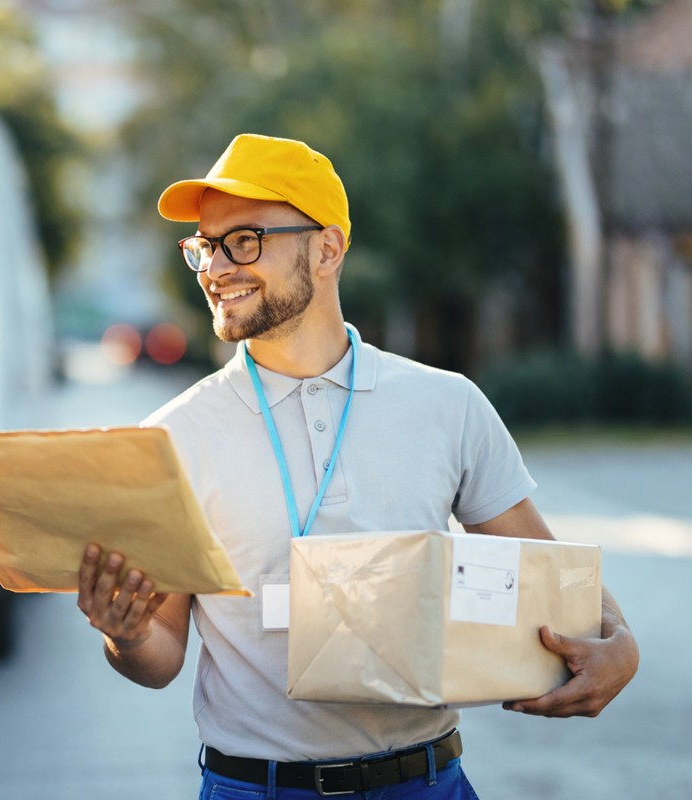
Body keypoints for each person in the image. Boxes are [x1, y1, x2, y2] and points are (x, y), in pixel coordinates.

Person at [75, 134, 640, 798]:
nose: (215, 267)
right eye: (203, 246)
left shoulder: (445, 403)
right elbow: (161, 653)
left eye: (244, 241)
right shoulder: (170, 436)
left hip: (425, 782)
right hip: (254, 789)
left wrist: (621, 645)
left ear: (327, 248)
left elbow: (547, 570)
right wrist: (126, 636)